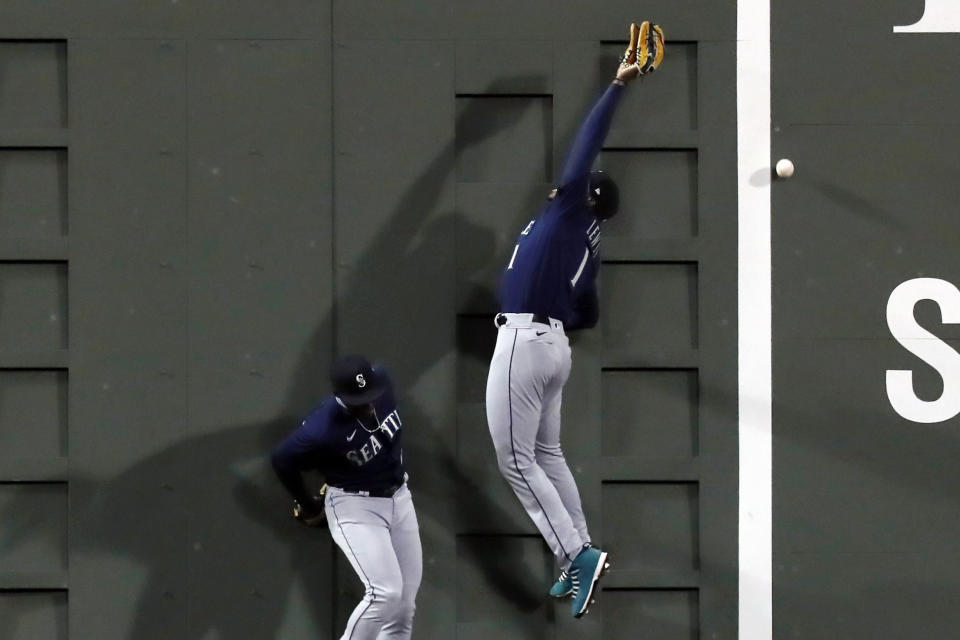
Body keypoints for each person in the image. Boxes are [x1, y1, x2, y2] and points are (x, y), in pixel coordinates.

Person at [484, 21, 665, 619]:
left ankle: (574, 555)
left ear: (584, 195)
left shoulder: (567, 211)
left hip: (527, 339)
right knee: (548, 456)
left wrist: (617, 85)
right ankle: (578, 552)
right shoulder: (587, 238)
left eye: (579, 183)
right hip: (552, 346)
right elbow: (588, 308)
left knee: (515, 460)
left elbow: (586, 146)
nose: (570, 180)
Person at [271, 355, 421, 639]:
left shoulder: (384, 380)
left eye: (369, 394)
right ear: (339, 395)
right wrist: (308, 504)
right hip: (356, 506)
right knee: (385, 594)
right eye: (358, 398)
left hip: (400, 498)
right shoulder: (322, 427)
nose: (366, 402)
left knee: (402, 608)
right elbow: (282, 459)